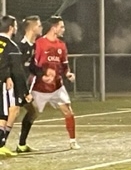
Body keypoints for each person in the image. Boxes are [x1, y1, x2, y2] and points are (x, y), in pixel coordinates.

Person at [30, 16, 78, 149]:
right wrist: (43, 75)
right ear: (54, 28)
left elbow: (64, 65)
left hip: (57, 86)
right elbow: (34, 65)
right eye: (61, 27)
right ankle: (21, 142)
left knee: (68, 111)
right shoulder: (40, 43)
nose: (63, 29)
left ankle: (73, 141)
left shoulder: (61, 45)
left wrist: (68, 74)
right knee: (31, 114)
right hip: (40, 88)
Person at [0, 16, 33, 156]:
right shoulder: (12, 47)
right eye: (15, 26)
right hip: (3, 84)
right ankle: (1, 145)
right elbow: (18, 72)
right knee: (5, 114)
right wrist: (26, 92)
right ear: (11, 28)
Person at [16, 15, 42, 153]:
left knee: (32, 111)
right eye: (39, 25)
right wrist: (25, 91)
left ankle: (21, 145)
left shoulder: (33, 45)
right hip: (14, 85)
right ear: (32, 28)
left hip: (22, 86)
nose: (41, 28)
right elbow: (16, 69)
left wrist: (44, 73)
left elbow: (30, 66)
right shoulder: (20, 46)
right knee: (11, 114)